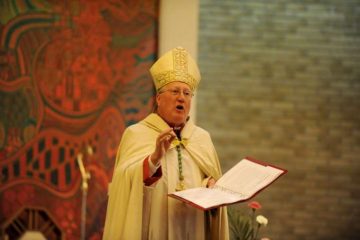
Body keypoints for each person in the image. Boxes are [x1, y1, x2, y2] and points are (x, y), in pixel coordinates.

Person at [102, 47, 229, 240]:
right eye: (175, 91)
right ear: (159, 98)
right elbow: (123, 186)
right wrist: (153, 160)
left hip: (194, 230)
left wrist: (210, 186)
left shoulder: (202, 139)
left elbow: (210, 182)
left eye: (187, 93)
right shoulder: (136, 134)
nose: (181, 98)